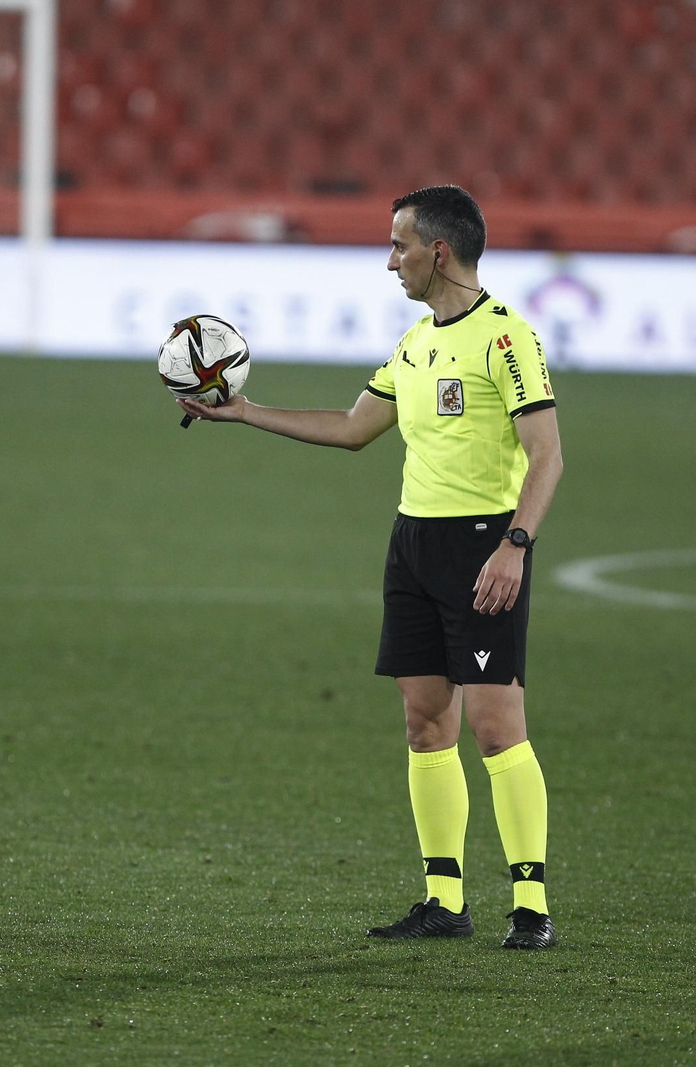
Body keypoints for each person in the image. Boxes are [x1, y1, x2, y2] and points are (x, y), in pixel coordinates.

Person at [180, 185, 564, 947]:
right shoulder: (417, 342)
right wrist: (244, 412)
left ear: (439, 251)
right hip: (413, 545)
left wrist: (514, 546)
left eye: (400, 245)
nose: (391, 261)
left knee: (495, 729)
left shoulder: (506, 338)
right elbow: (356, 427)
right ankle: (444, 899)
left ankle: (531, 905)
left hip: (483, 544)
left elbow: (547, 455)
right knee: (426, 724)